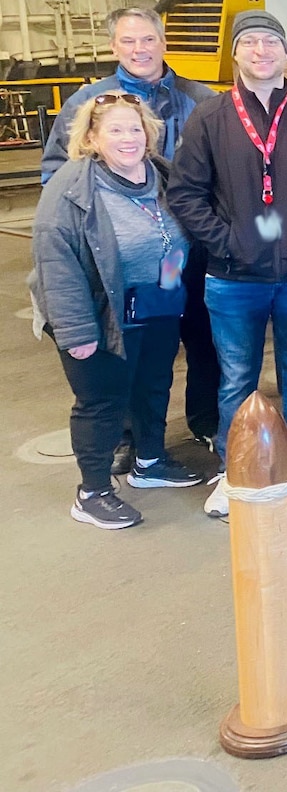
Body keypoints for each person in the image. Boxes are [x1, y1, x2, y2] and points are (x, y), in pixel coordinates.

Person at [167, 10, 287, 518]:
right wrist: (224, 244)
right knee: (236, 379)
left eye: (270, 41)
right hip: (233, 280)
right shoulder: (209, 117)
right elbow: (185, 194)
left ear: (284, 51)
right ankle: (240, 474)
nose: (261, 51)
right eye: (250, 42)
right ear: (236, 53)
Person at [41, 7, 221, 467]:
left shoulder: (199, 98)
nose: (139, 49)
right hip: (116, 260)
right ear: (114, 47)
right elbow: (56, 176)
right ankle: (122, 444)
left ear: (163, 43)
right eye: (128, 41)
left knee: (191, 347)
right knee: (120, 354)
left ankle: (199, 426)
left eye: (148, 40)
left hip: (182, 254)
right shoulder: (90, 102)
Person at [30, 93, 201, 528]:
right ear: (91, 137)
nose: (129, 138)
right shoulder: (72, 188)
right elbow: (56, 263)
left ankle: (149, 462)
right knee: (101, 402)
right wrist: (75, 332)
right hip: (98, 312)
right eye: (116, 130)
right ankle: (92, 491)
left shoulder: (161, 175)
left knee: (152, 386)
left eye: (136, 128)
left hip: (157, 304)